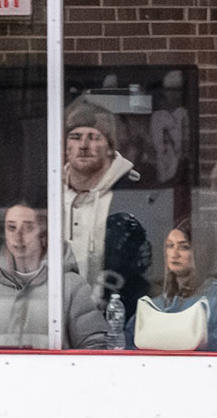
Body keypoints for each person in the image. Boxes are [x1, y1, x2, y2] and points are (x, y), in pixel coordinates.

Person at [0, 202, 110, 350]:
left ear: (44, 234)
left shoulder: (70, 286)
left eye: (28, 228)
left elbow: (95, 347)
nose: (18, 237)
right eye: (11, 227)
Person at [60, 102, 153, 322]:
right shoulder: (48, 196)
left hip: (119, 322)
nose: (83, 145)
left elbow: (147, 269)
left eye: (93, 137)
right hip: (58, 323)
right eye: (75, 136)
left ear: (110, 147)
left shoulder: (133, 196)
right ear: (65, 146)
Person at [132, 220, 217, 352]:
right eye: (170, 246)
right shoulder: (155, 302)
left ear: (201, 251)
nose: (174, 254)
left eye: (184, 247)